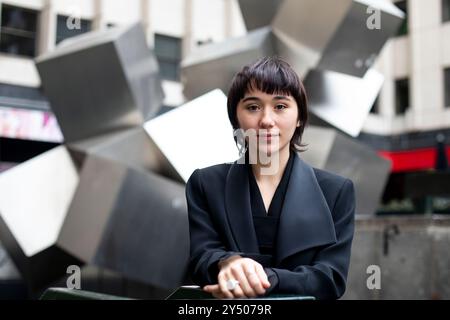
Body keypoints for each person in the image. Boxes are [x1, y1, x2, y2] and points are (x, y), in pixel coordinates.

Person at [185, 56, 356, 300]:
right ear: (236, 118)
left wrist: (266, 278)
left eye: (280, 106)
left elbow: (330, 279)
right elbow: (202, 256)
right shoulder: (205, 183)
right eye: (253, 107)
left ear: (299, 118)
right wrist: (227, 262)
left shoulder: (337, 192)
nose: (266, 120)